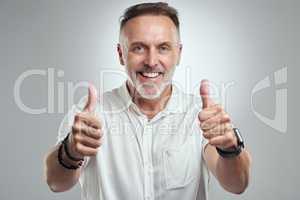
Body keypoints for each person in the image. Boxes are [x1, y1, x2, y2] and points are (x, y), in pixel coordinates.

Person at [44, 2, 251, 200]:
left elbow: (237, 184)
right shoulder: (89, 114)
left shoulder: (202, 115)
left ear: (178, 53)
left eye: (163, 47)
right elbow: (56, 183)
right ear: (121, 54)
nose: (151, 61)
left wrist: (229, 148)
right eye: (139, 48)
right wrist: (70, 151)